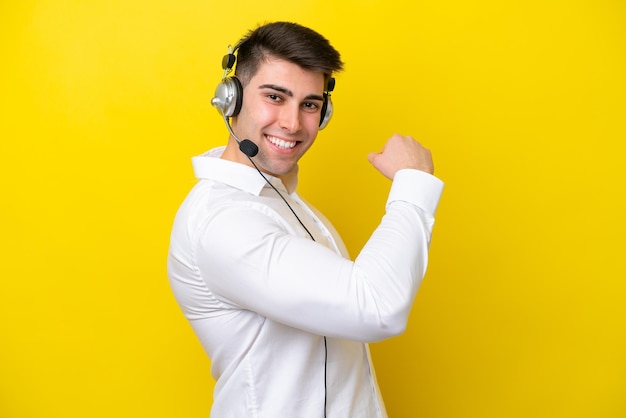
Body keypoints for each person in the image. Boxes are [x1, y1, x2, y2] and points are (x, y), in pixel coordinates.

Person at [167, 21, 444, 417]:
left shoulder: (284, 204)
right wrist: (414, 185)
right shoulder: (224, 221)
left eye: (310, 104)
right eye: (275, 97)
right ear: (231, 98)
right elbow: (375, 307)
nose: (293, 123)